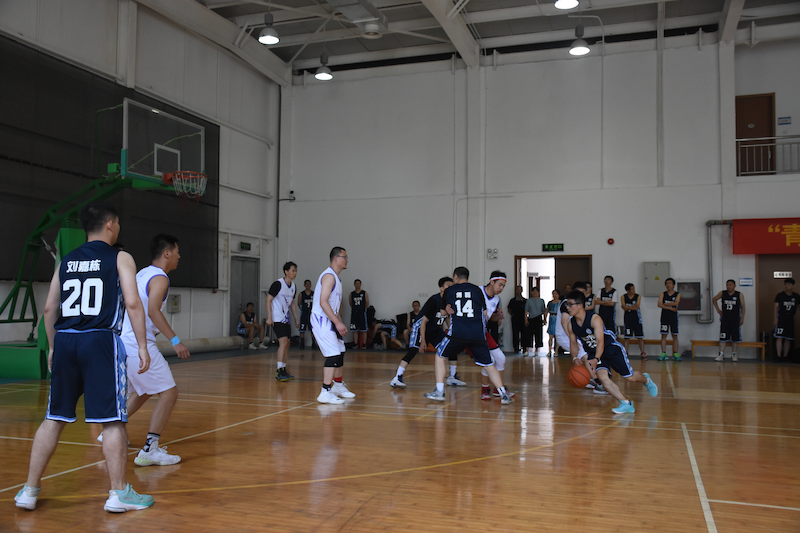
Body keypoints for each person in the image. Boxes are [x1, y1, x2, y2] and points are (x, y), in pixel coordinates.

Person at [15, 204, 154, 513]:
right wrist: (143, 345)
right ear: (110, 225)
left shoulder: (66, 260)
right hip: (100, 340)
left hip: (66, 340)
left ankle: (29, 490)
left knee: (53, 418)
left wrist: (53, 347)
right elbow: (132, 303)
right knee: (112, 419)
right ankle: (118, 493)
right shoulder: (120, 257)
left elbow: (49, 309)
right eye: (118, 223)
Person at [117, 233, 190, 467]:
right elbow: (153, 311)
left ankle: (112, 430)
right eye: (177, 252)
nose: (179, 256)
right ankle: (150, 449)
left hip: (125, 340)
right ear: (167, 253)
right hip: (139, 343)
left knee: (144, 391)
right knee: (169, 393)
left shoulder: (142, 273)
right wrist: (175, 340)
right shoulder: (160, 278)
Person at [423, 267, 512, 405]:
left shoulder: (449, 290)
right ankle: (503, 395)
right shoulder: (477, 290)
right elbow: (484, 313)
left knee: (440, 356)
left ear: (455, 277)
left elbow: (443, 313)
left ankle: (440, 391)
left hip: (457, 333)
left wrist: (448, 310)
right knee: (489, 365)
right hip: (478, 334)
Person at [565, 290, 658, 414]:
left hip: (611, 349)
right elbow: (573, 343)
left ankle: (646, 380)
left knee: (630, 377)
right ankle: (625, 403)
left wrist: (596, 359)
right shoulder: (571, 324)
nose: (567, 307)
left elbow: (601, 342)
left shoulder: (594, 319)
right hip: (594, 353)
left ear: (580, 305)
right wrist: (574, 357)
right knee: (602, 378)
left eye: (570, 304)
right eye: (567, 304)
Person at [312, 248, 356, 404]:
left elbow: (334, 306)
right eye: (345, 257)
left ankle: (337, 386)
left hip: (331, 320)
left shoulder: (337, 278)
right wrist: (337, 322)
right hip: (321, 320)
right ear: (336, 258)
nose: (347, 260)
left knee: (341, 351)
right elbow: (323, 302)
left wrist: (339, 322)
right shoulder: (329, 276)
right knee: (333, 354)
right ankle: (325, 391)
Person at [391, 277, 452, 388]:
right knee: (412, 351)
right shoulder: (434, 300)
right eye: (448, 285)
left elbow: (447, 317)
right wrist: (423, 341)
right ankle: (397, 377)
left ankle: (452, 376)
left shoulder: (449, 301)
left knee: (450, 346)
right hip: (420, 327)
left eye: (452, 285)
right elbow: (423, 321)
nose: (451, 287)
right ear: (441, 288)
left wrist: (451, 330)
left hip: (434, 329)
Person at [478, 271, 512, 400]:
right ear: (492, 282)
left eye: (503, 286)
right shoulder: (478, 291)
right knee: (488, 360)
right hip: (471, 332)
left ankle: (498, 389)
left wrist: (497, 316)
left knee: (501, 359)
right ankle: (485, 388)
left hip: (483, 332)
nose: (501, 288)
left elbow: (491, 318)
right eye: (500, 285)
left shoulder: (497, 299)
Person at [267, 262, 300, 381]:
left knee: (287, 343)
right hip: (277, 318)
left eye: (296, 271)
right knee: (283, 343)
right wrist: (269, 317)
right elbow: (268, 300)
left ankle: (284, 369)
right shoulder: (278, 284)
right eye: (292, 270)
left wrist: (296, 318)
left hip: (286, 319)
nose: (295, 273)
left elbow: (292, 303)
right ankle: (279, 370)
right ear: (286, 271)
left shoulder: (294, 286)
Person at [712, 280, 745, 361]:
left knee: (735, 338)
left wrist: (742, 318)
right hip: (725, 319)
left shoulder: (739, 294)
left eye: (730, 285)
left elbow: (743, 307)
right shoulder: (722, 293)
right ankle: (721, 354)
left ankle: (733, 354)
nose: (729, 286)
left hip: (735, 320)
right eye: (727, 285)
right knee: (723, 337)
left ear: (734, 286)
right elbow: (714, 299)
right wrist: (718, 310)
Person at [774, 278, 798, 359]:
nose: (787, 286)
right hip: (781, 317)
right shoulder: (780, 295)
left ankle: (785, 356)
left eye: (789, 284)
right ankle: (778, 355)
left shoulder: (796, 296)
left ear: (793, 286)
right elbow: (776, 308)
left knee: (788, 338)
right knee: (779, 337)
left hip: (790, 318)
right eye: (786, 284)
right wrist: (775, 319)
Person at [658, 277, 681, 361]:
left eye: (670, 283)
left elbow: (676, 303)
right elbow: (659, 304)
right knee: (664, 335)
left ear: (673, 285)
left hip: (674, 318)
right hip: (665, 317)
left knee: (674, 335)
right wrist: (670, 308)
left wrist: (665, 304)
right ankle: (664, 353)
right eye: (667, 283)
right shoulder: (663, 294)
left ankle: (675, 353)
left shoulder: (677, 294)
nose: (668, 285)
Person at [621, 283, 645, 359]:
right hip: (628, 319)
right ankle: (625, 352)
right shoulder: (623, 297)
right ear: (627, 290)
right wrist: (631, 307)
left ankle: (642, 352)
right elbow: (623, 307)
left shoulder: (638, 296)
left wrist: (627, 307)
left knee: (640, 337)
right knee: (627, 337)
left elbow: (636, 307)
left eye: (634, 288)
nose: (633, 290)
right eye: (632, 289)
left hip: (637, 319)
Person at [524, 287, 546, 356]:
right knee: (528, 334)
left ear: (539, 293)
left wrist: (545, 319)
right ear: (531, 293)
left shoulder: (541, 300)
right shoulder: (529, 301)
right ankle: (527, 350)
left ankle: (536, 350)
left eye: (536, 291)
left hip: (538, 318)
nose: (535, 293)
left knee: (538, 334)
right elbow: (526, 310)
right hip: (531, 318)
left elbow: (544, 310)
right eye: (533, 291)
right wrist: (526, 319)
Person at [349, 279, 369, 349]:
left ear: (360, 284)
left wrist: (363, 309)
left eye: (358, 284)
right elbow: (350, 303)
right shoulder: (351, 294)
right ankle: (355, 343)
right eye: (356, 284)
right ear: (354, 285)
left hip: (362, 313)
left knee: (363, 329)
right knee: (354, 329)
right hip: (354, 313)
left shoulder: (364, 293)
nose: (357, 285)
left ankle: (364, 344)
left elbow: (367, 302)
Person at [507, 285, 527, 353]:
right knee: (515, 334)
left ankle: (524, 348)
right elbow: (509, 309)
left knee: (524, 334)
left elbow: (527, 310)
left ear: (522, 291)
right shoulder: (512, 301)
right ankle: (516, 348)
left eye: (520, 289)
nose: (518, 291)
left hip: (523, 319)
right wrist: (513, 314)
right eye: (517, 289)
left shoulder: (525, 301)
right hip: (515, 319)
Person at [297, 279, 315, 348]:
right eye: (307, 284)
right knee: (302, 329)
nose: (308, 285)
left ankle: (314, 343)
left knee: (312, 329)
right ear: (304, 285)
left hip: (312, 314)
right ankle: (302, 343)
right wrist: (303, 309)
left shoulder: (313, 293)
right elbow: (299, 304)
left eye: (309, 284)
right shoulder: (301, 294)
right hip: (304, 314)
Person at [546, 289, 561, 355]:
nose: (555, 295)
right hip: (551, 318)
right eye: (553, 294)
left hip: (558, 319)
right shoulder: (550, 303)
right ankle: (549, 350)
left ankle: (556, 351)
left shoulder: (561, 302)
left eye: (556, 293)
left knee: (557, 337)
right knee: (550, 336)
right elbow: (546, 311)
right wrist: (545, 318)